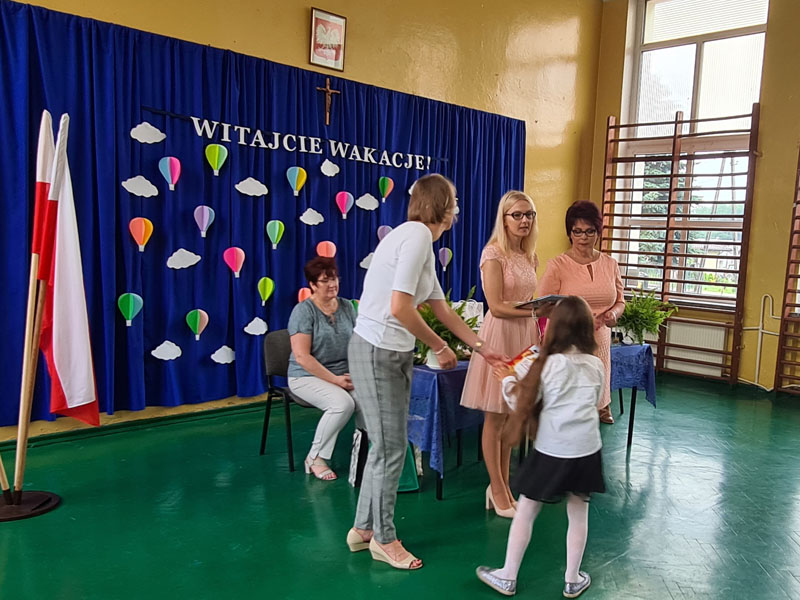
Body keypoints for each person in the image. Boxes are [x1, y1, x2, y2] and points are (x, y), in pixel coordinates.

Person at [345, 174, 506, 570]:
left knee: (386, 445)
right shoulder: (416, 235)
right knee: (392, 448)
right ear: (441, 206)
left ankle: (363, 528)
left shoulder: (419, 242)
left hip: (390, 352)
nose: (457, 207)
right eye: (454, 199)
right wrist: (438, 346)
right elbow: (400, 307)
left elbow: (441, 308)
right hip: (378, 351)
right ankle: (384, 538)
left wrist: (484, 349)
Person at [476, 296, 605, 599]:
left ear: (554, 328)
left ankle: (508, 576)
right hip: (587, 451)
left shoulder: (547, 364)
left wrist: (507, 380)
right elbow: (597, 400)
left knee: (526, 510)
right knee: (578, 513)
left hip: (552, 450)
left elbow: (520, 402)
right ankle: (572, 579)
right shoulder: (596, 364)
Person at [460, 190, 540, 518]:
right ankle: (496, 489)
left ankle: (504, 486)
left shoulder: (529, 255)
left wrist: (539, 314)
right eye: (517, 215)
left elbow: (528, 300)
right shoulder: (493, 253)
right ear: (504, 220)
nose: (524, 220)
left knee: (511, 415)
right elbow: (495, 306)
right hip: (502, 334)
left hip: (525, 336)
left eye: (529, 214)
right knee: (495, 416)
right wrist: (537, 311)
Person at [536, 200, 624, 424]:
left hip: (600, 337)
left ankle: (603, 405)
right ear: (570, 233)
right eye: (577, 231)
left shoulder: (611, 264)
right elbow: (543, 306)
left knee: (599, 375)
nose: (583, 237)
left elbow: (620, 301)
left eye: (589, 231)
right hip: (569, 337)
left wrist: (613, 314)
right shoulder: (557, 265)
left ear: (598, 232)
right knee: (572, 397)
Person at [287, 257, 357, 481]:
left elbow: (359, 344)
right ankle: (315, 457)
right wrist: (335, 380)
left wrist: (359, 374)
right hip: (305, 376)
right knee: (342, 404)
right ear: (312, 285)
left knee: (370, 400)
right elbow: (302, 357)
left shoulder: (347, 306)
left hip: (344, 373)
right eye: (325, 281)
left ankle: (367, 452)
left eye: (334, 278)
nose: (332, 284)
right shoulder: (303, 311)